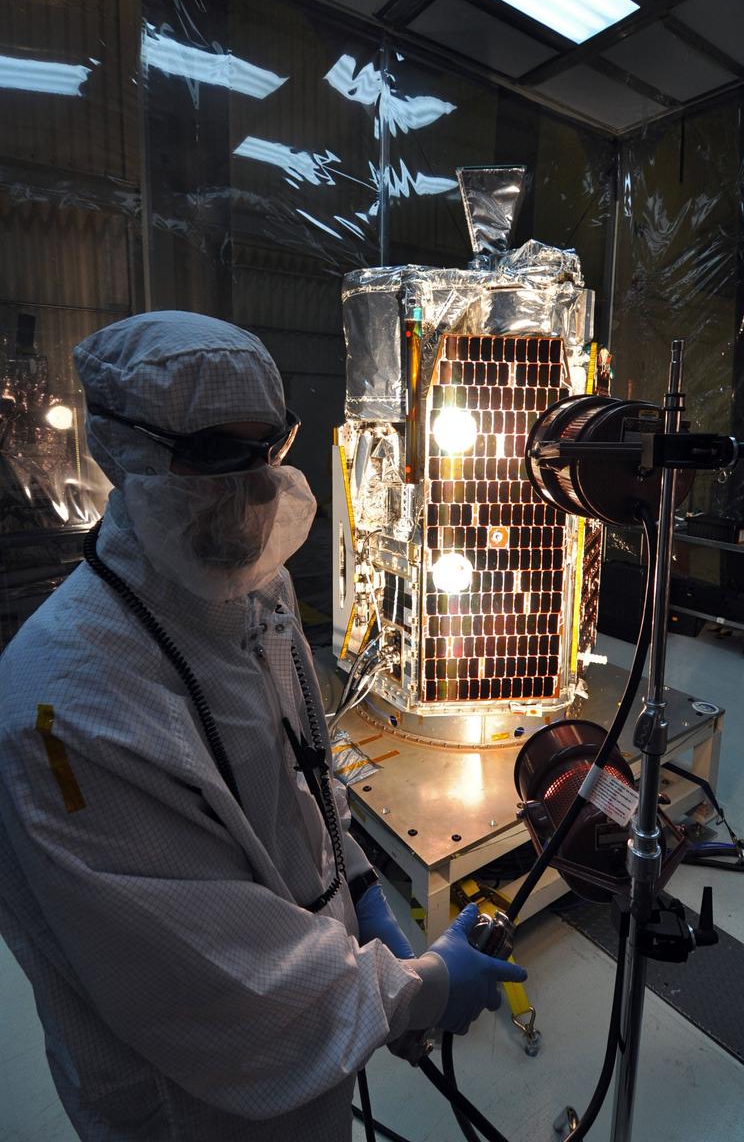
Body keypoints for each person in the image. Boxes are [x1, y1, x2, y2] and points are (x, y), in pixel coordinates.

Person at [0, 311, 526, 1141]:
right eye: (214, 455)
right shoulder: (62, 713)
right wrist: (412, 990)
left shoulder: (252, 591)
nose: (255, 493)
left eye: (269, 450)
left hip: (312, 1044)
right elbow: (212, 987)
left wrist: (358, 892)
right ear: (125, 452)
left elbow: (302, 776)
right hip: (193, 1103)